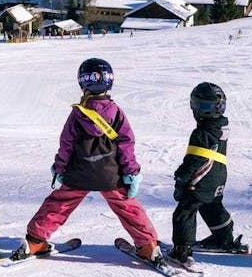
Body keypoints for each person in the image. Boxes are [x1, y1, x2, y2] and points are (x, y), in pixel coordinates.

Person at [13, 58, 161, 263]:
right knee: (127, 207)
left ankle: (35, 242)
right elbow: (127, 144)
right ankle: (147, 246)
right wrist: (131, 172)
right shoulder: (116, 112)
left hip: (79, 172)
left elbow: (66, 144)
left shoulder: (77, 114)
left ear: (82, 83)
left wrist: (59, 168)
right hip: (110, 174)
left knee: (59, 205)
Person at [169, 83, 249, 265]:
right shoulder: (221, 127)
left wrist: (181, 178)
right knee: (212, 205)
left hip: (203, 178)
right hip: (218, 175)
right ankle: (224, 238)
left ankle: (182, 250)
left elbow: (195, 161)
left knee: (185, 211)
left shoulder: (202, 132)